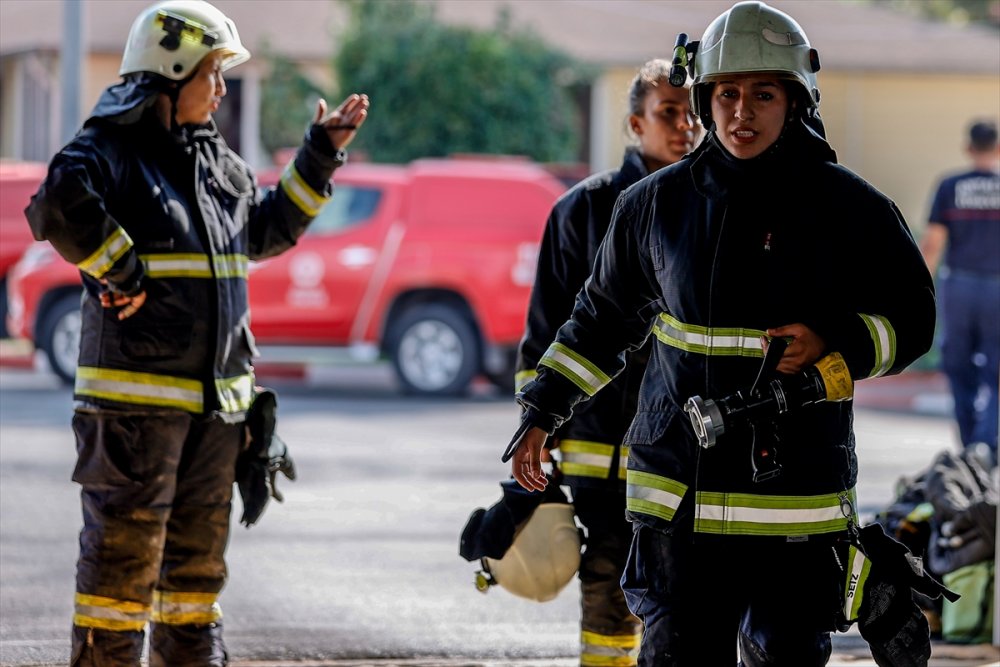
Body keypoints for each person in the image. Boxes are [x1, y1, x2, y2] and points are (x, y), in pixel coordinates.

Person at [505, 2, 936, 665]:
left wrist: (839, 341)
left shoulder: (851, 208)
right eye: (726, 94)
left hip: (798, 507)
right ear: (704, 100)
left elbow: (913, 317)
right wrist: (542, 411)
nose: (743, 111)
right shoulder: (653, 206)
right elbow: (601, 318)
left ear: (794, 100)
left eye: (763, 93)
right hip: (681, 502)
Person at [24, 1, 368, 664]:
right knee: (117, 584)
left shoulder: (215, 164)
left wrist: (320, 155)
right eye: (211, 71)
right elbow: (62, 198)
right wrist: (118, 268)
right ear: (169, 71)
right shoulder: (112, 150)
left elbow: (264, 230)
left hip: (214, 416)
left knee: (193, 587)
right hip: (134, 418)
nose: (221, 87)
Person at [514, 59, 696, 667]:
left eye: (694, 112)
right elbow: (544, 336)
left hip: (684, 446)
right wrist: (536, 434)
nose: (687, 126)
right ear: (634, 123)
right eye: (670, 112)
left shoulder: (711, 212)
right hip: (599, 449)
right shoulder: (582, 211)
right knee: (610, 580)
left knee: (682, 592)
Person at [920, 120, 1000, 468]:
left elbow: (932, 244)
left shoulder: (950, 185)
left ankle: (971, 446)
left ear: (969, 148)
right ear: (997, 149)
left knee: (958, 368)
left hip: (960, 288)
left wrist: (919, 292)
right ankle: (987, 442)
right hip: (997, 288)